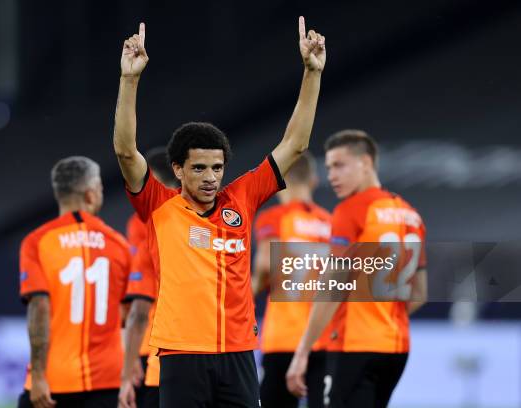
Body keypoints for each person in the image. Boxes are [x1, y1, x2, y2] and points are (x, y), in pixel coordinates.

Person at [113, 17, 326, 408]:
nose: (210, 177)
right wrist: (130, 81)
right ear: (177, 169)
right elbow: (126, 152)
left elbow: (295, 144)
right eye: (198, 168)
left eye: (216, 167)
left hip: (238, 355)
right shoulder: (159, 204)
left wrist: (311, 74)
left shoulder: (242, 197)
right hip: (181, 356)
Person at [286, 130, 428, 408]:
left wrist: (303, 351)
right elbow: (419, 294)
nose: (331, 176)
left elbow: (332, 287)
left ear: (365, 162)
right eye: (328, 168)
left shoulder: (351, 210)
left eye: (339, 165)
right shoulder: (411, 215)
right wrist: (383, 315)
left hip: (354, 346)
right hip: (396, 349)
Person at [18, 156, 132, 408]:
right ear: (91, 194)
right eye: (101, 188)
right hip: (107, 382)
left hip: (54, 382)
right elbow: (127, 317)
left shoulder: (37, 241)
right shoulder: (119, 245)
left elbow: (39, 308)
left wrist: (37, 376)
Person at [253, 151, 331, 408]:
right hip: (323, 338)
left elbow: (265, 266)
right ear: (314, 180)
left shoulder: (275, 218)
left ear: (278, 181)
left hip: (284, 337)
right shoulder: (331, 224)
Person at [120, 147, 179, 408]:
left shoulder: (145, 220)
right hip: (207, 349)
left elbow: (140, 306)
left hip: (153, 348)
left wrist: (128, 361)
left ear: (151, 175)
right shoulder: (201, 213)